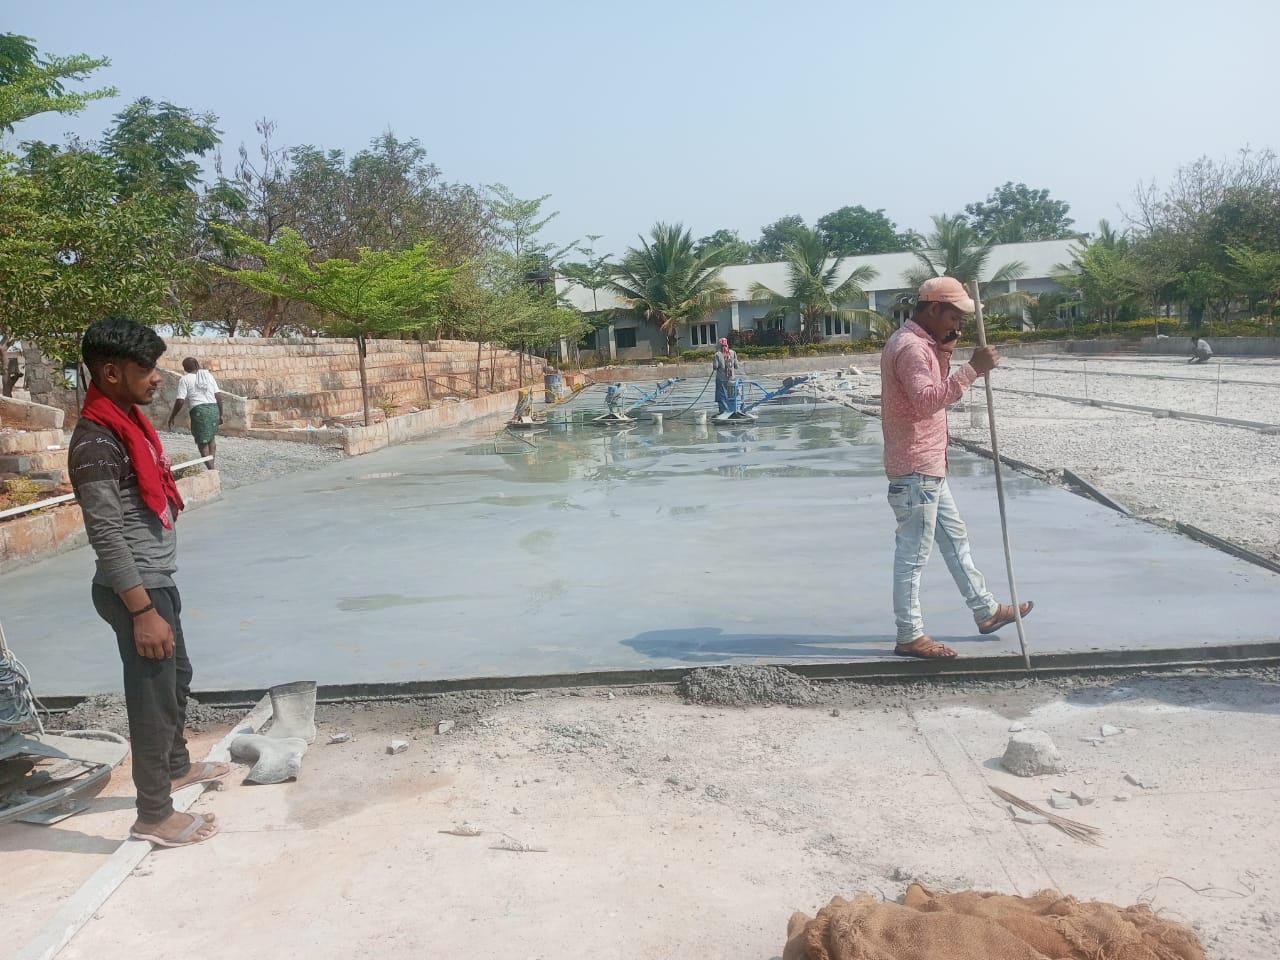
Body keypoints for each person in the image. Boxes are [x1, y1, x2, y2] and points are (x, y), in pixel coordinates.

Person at [68, 319, 227, 847]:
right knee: (152, 698)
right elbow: (106, 534)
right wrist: (141, 610)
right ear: (110, 373)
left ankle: (176, 766)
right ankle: (154, 814)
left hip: (156, 579)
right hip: (134, 588)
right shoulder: (95, 441)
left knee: (176, 676)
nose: (156, 379)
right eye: (144, 369)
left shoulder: (126, 423)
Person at [880, 277, 1034, 659]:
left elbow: (931, 385)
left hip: (928, 465)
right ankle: (909, 634)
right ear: (933, 309)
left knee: (955, 540)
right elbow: (926, 401)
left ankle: (985, 610)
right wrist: (973, 370)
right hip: (916, 468)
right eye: (954, 316)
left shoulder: (924, 344)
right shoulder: (912, 348)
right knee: (913, 555)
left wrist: (947, 355)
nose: (959, 325)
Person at [167, 357, 223, 469]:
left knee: (202, 442)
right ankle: (212, 467)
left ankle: (211, 469)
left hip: (200, 412)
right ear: (197, 365)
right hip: (213, 409)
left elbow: (180, 400)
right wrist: (221, 413)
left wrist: (172, 416)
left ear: (185, 368)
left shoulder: (185, 379)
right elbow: (218, 396)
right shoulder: (208, 376)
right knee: (211, 439)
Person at [712, 337, 739, 414]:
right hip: (731, 378)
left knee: (721, 396)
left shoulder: (717, 354)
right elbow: (737, 366)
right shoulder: (733, 353)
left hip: (721, 379)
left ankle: (724, 411)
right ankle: (733, 409)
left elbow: (715, 367)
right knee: (732, 395)